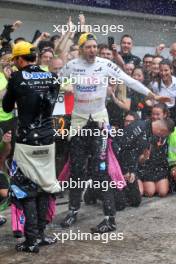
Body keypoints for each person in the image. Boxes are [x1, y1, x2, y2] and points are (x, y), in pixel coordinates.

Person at [59, 32, 168, 234]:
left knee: (101, 171)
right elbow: (56, 81)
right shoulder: (73, 65)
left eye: (94, 47)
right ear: (82, 49)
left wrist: (151, 94)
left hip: (100, 123)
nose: (92, 50)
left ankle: (109, 218)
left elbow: (128, 80)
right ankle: (73, 210)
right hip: (79, 124)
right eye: (88, 47)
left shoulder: (105, 64)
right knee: (76, 169)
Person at [2, 41, 60, 253]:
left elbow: (7, 107)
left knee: (26, 189)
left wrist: (12, 84)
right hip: (47, 139)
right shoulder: (53, 77)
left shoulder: (17, 77)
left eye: (15, 60)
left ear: (19, 59)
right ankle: (42, 235)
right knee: (45, 186)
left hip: (27, 141)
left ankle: (31, 239)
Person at [112, 117, 175, 198]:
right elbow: (119, 148)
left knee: (136, 200)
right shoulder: (140, 128)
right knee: (122, 203)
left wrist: (133, 170)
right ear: (162, 131)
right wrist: (125, 171)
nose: (161, 137)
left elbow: (135, 155)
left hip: (130, 168)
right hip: (116, 165)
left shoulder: (149, 132)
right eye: (163, 135)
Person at [138, 104, 170, 197]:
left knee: (163, 192)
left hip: (161, 166)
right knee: (150, 192)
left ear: (164, 114)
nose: (154, 116)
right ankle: (147, 184)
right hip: (147, 166)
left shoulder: (168, 126)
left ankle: (157, 184)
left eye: (157, 114)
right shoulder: (146, 126)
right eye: (153, 114)